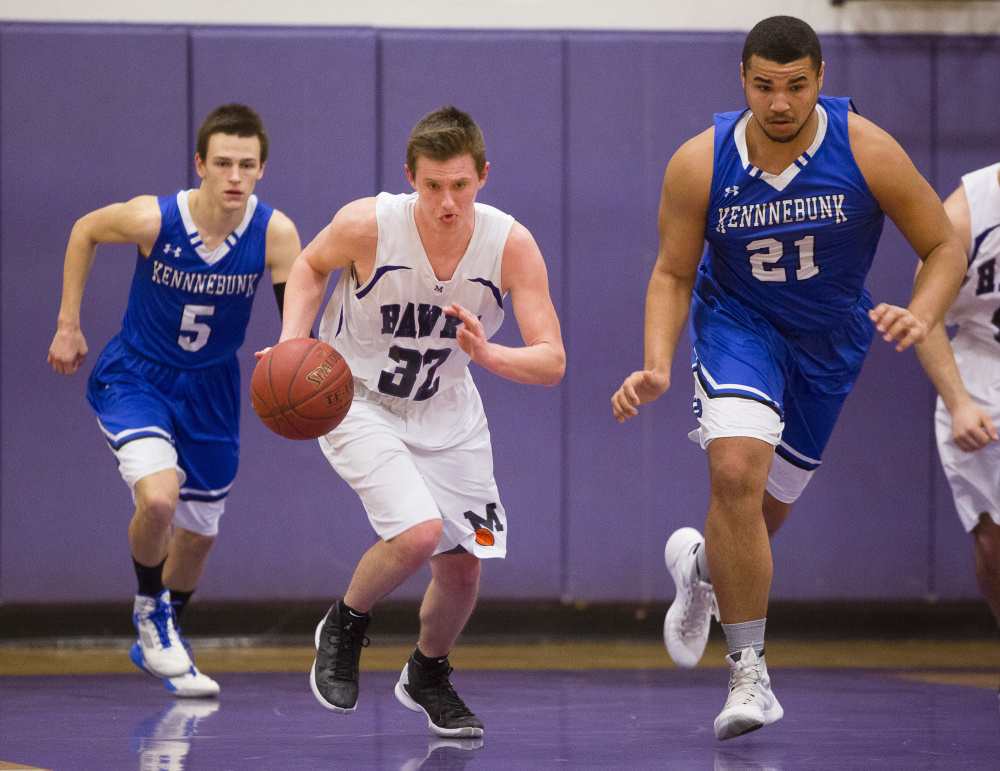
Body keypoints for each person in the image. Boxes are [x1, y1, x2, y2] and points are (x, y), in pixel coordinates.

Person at [611, 16, 967, 740]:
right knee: (735, 471)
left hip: (830, 341)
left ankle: (704, 564)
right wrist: (657, 360)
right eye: (765, 86)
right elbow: (673, 271)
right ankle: (749, 672)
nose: (780, 102)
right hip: (740, 326)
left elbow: (941, 245)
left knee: (760, 518)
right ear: (741, 78)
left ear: (821, 80)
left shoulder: (866, 150)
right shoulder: (699, 162)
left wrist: (925, 314)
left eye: (796, 86)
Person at [270, 106, 565, 738]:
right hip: (355, 398)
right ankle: (344, 625)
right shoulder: (366, 225)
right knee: (418, 532)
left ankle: (428, 672)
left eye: (460, 184)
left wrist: (490, 354)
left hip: (448, 408)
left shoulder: (511, 245)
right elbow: (308, 266)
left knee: (464, 567)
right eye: (433, 186)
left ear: (483, 176)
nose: (447, 201)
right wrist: (293, 341)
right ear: (411, 177)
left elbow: (552, 362)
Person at [47, 104, 301, 697]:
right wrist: (68, 324)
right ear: (200, 165)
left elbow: (296, 320)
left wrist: (293, 360)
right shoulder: (154, 219)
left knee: (199, 532)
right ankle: (147, 608)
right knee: (159, 499)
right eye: (222, 163)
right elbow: (84, 228)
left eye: (247, 164)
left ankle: (161, 635)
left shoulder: (276, 233)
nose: (234, 176)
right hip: (138, 376)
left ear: (262, 169)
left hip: (213, 386)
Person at [914, 162, 1000, 701]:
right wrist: (959, 402)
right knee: (994, 545)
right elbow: (924, 318)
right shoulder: (965, 212)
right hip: (982, 371)